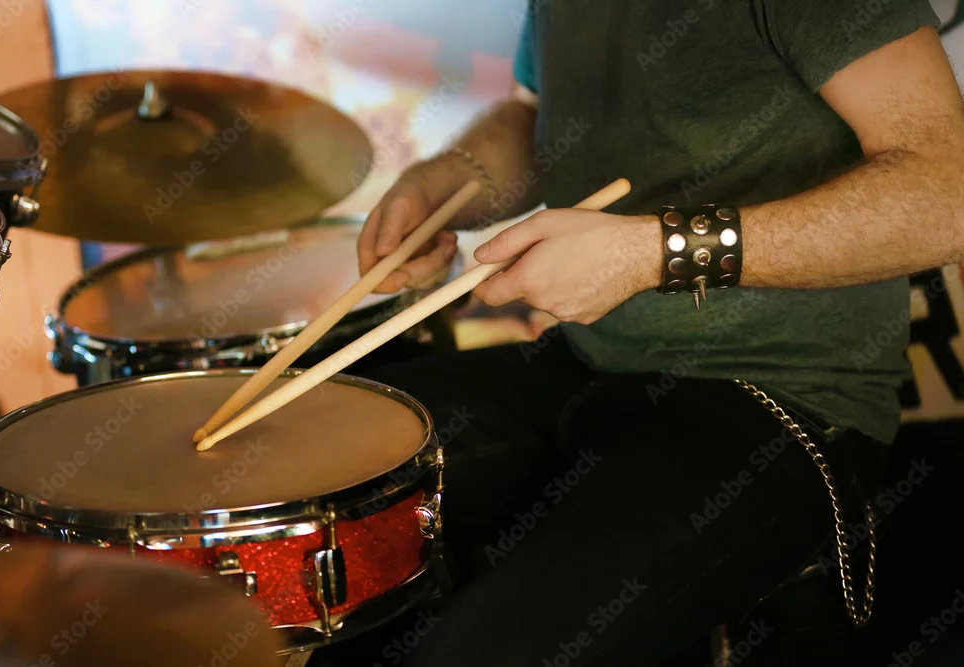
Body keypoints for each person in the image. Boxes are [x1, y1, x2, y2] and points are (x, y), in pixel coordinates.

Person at [315, 1, 964, 665]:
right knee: (314, 477)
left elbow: (948, 195)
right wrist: (444, 184)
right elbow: (535, 118)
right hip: (585, 359)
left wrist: (652, 254)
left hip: (783, 396)